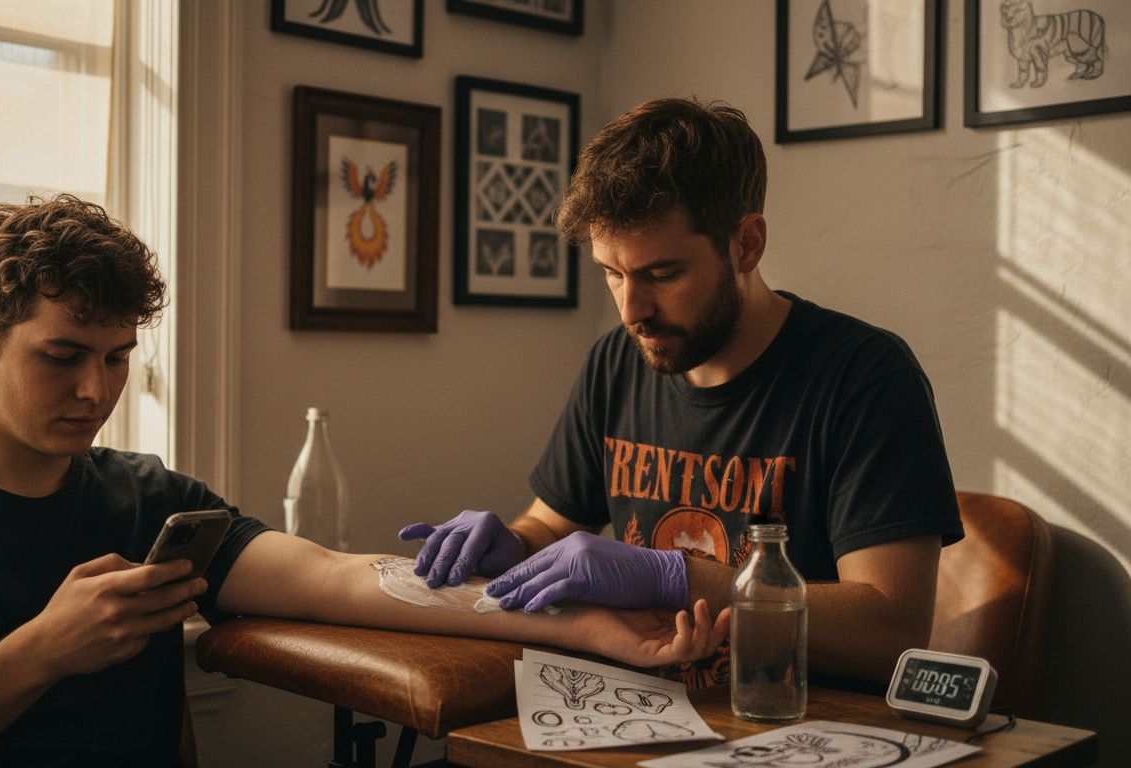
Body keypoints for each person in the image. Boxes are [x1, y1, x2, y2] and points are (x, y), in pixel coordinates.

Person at [0, 194, 728, 767]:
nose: (96, 390)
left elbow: (335, 575)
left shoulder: (147, 498)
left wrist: (578, 622)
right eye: (64, 355)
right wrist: (42, 650)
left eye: (118, 358)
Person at [400, 97, 963, 689]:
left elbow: (892, 630)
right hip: (638, 709)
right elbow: (552, 526)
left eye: (662, 275)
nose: (631, 310)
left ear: (746, 245)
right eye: (611, 273)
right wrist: (513, 544)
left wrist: (677, 577)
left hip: (794, 724)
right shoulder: (617, 362)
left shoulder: (865, 377)